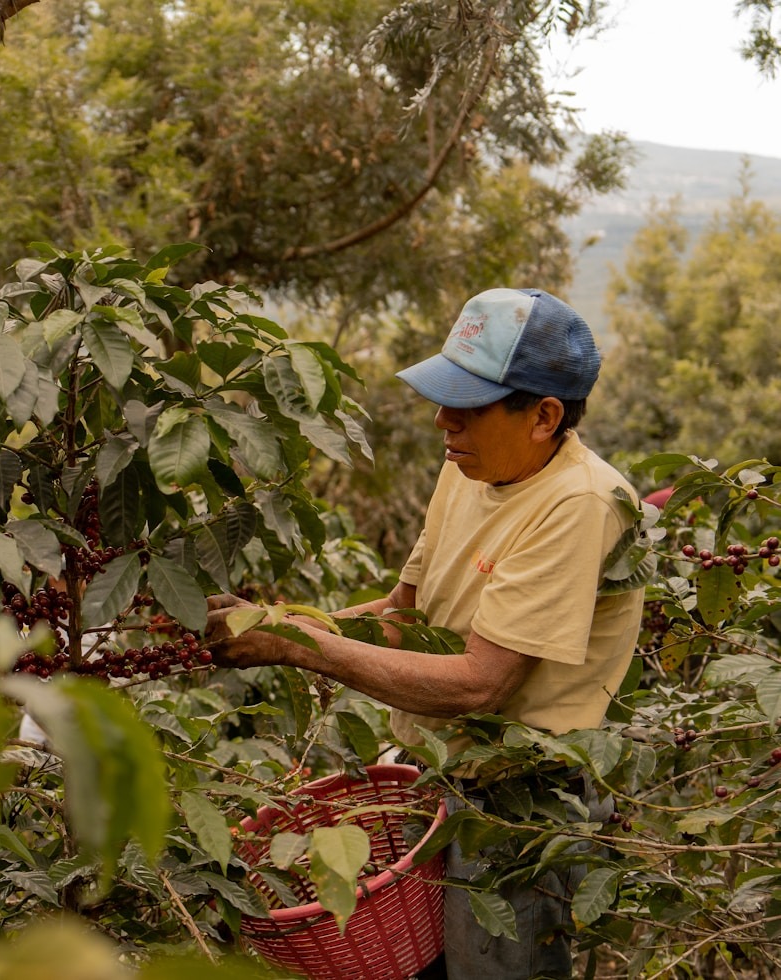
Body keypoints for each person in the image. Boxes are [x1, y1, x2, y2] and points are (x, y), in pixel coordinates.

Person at [206, 287, 644, 980]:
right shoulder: (467, 464)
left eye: (466, 407)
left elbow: (480, 682)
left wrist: (296, 647)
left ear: (544, 416)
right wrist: (275, 624)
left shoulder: (579, 504)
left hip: (519, 795)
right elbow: (403, 612)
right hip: (438, 770)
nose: (442, 420)